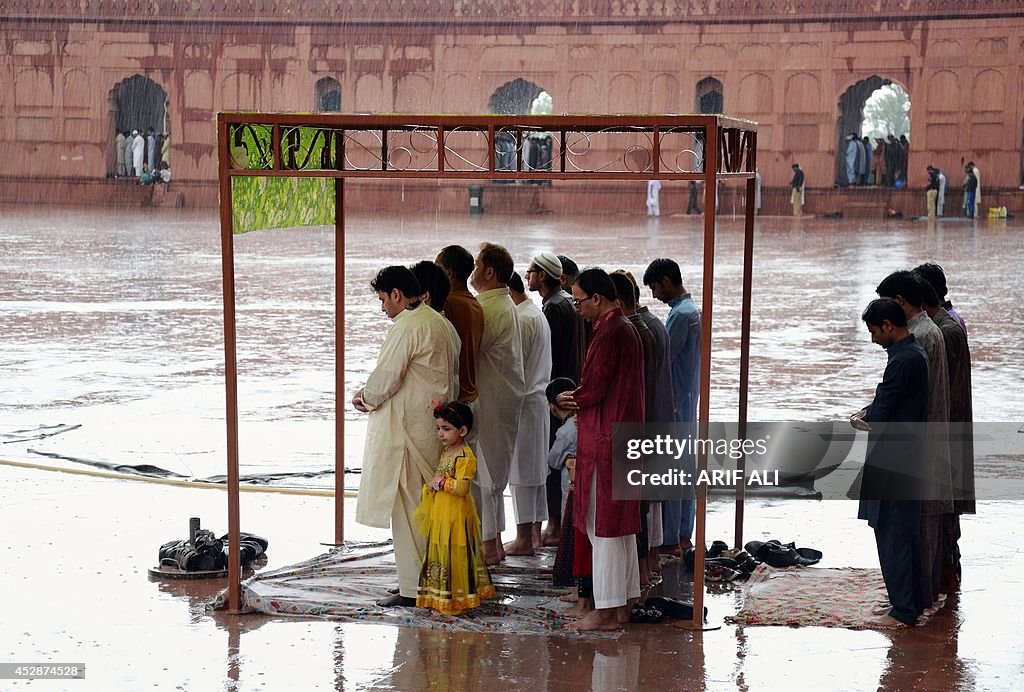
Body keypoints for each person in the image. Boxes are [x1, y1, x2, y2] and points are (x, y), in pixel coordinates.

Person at [352, 266, 458, 607]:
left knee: (411, 508)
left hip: (411, 430)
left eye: (383, 299)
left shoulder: (408, 327)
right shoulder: (440, 322)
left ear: (397, 294)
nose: (383, 307)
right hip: (435, 426)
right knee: (430, 507)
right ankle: (432, 579)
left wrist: (365, 397)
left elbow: (386, 377)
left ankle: (415, 587)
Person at [559, 268, 644, 631]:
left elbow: (593, 388)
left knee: (603, 528)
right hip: (623, 438)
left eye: (579, 301)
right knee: (622, 529)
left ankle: (607, 610)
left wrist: (567, 399)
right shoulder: (625, 327)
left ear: (597, 298)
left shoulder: (610, 331)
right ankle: (623, 604)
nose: (576, 307)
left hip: (606, 442)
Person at [876, 270, 951, 615]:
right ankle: (916, 598)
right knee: (914, 527)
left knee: (907, 529)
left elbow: (901, 400)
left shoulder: (918, 341)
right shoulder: (925, 335)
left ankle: (911, 603)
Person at [851, 297, 929, 627]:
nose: (872, 339)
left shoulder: (902, 360)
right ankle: (906, 601)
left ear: (888, 326)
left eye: (874, 332)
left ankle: (903, 610)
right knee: (902, 531)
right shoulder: (913, 354)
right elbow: (888, 400)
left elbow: (884, 409)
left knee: (893, 531)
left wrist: (863, 419)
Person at [915, 266, 974, 593]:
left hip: (948, 428)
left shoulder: (946, 330)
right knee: (944, 510)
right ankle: (943, 577)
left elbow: (942, 386)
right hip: (949, 425)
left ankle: (944, 580)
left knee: (945, 512)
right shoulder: (948, 322)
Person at [470, 242, 526, 565]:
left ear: (489, 272)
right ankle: (495, 543)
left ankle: (489, 546)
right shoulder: (505, 306)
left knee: (485, 476)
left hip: (491, 400)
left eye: (477, 264)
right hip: (503, 399)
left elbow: (469, 352)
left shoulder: (490, 309)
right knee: (493, 474)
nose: (473, 271)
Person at [414, 401, 496, 616]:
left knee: (454, 553)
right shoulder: (448, 451)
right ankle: (439, 598)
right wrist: (432, 487)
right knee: (440, 551)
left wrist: (440, 483)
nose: (440, 434)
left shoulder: (465, 456)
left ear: (463, 430)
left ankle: (455, 602)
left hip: (456, 515)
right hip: (441, 512)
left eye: (446, 429)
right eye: (438, 428)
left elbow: (462, 487)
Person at [643, 258, 700, 557]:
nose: (654, 295)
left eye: (654, 287)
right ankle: (682, 534)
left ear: (667, 281)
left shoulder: (679, 316)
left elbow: (663, 361)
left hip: (675, 404)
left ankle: (670, 539)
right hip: (688, 402)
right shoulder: (692, 312)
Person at [528, 251, 585, 546]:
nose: (528, 277)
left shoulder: (552, 308)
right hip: (568, 388)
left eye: (532, 272)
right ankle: (556, 524)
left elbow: (546, 357)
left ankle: (554, 527)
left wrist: (549, 395)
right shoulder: (566, 304)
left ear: (543, 276)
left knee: (553, 463)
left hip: (557, 394)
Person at [504, 272, 552, 556]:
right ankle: (533, 532)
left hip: (525, 400)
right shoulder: (536, 312)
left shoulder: (522, 318)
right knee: (535, 470)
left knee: (522, 471)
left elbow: (514, 366)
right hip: (538, 400)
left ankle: (523, 537)